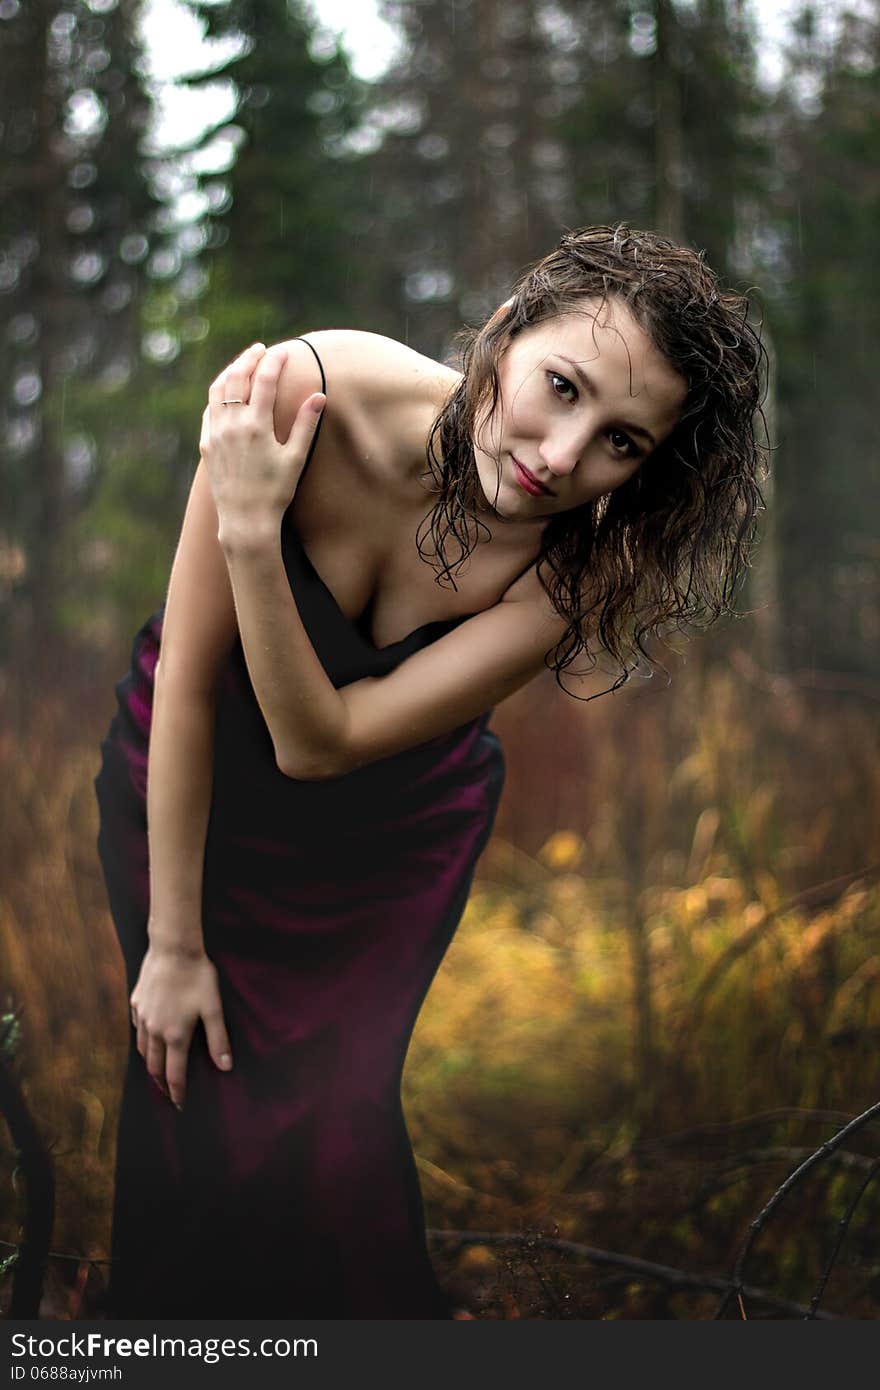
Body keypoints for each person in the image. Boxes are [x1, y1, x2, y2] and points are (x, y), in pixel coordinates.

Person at [93, 224, 766, 1318]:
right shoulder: (307, 391)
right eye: (560, 385)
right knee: (184, 1095)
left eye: (620, 443)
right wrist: (173, 943)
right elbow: (185, 683)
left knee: (336, 1120)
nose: (561, 454)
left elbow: (322, 745)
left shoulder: (570, 571)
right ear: (501, 334)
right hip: (189, 790)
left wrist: (256, 538)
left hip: (382, 844)